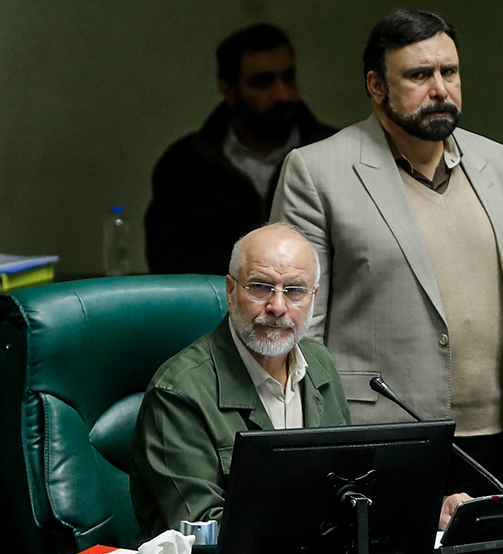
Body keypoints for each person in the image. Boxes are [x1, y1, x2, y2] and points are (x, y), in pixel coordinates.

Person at [272, 9, 503, 517]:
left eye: (449, 72)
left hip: (496, 442)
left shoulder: (500, 164)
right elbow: (300, 336)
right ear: (376, 86)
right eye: (418, 75)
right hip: (382, 443)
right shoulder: (317, 172)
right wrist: (315, 460)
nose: (439, 89)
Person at [131, 223, 351, 532]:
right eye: (261, 287)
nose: (277, 306)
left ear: (313, 297)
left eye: (294, 291)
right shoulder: (178, 391)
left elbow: (346, 482)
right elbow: (203, 529)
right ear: (231, 291)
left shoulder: (319, 363)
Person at [145, 23, 337, 276]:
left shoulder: (333, 152)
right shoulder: (185, 164)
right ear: (229, 91)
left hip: (312, 297)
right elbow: (168, 265)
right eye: (263, 82)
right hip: (218, 298)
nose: (282, 94)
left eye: (288, 78)